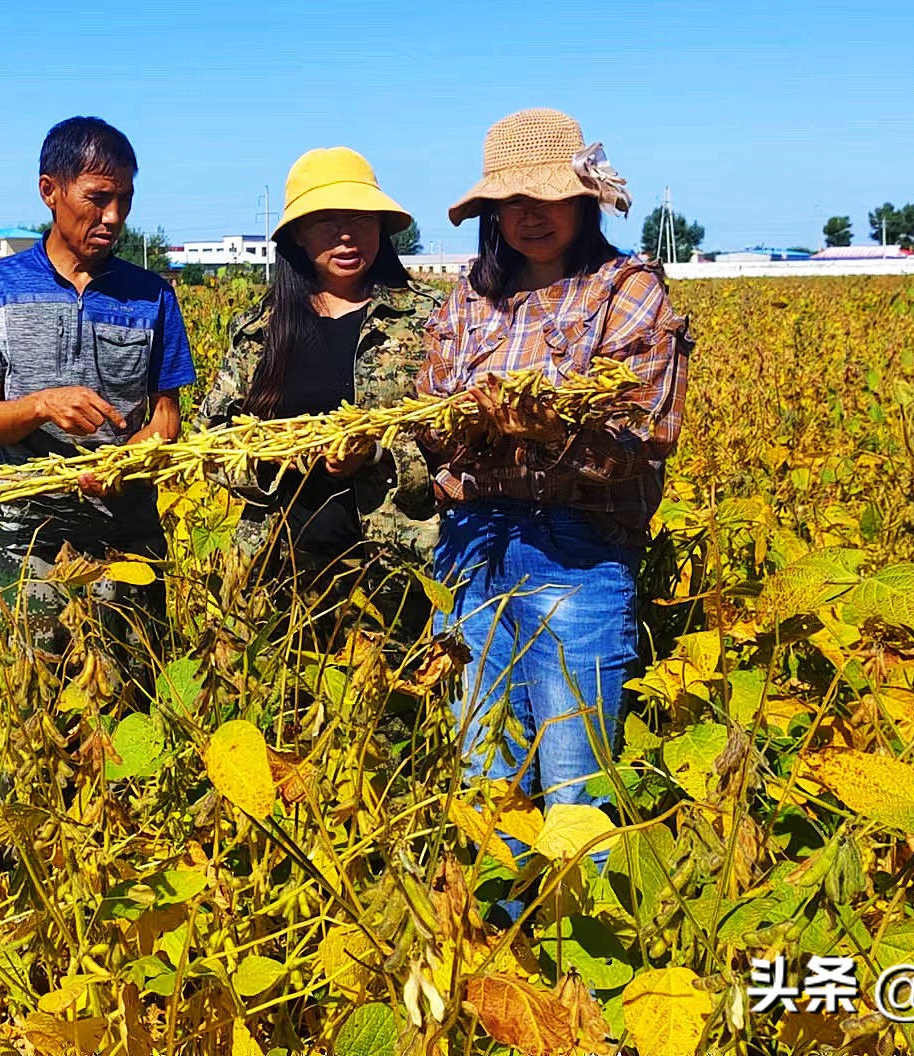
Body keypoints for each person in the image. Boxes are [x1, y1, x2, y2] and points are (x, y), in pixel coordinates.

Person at [417, 108, 693, 811]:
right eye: (511, 202)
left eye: (544, 198)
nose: (529, 216)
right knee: (483, 772)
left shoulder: (626, 290)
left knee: (576, 776)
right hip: (471, 544)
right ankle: (492, 918)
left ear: (582, 200)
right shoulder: (472, 297)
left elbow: (642, 429)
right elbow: (429, 414)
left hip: (573, 547)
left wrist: (546, 430)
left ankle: (578, 919)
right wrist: (465, 425)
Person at [0, 116, 196, 701]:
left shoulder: (153, 295)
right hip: (26, 534)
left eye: (125, 201)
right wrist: (41, 406)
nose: (113, 217)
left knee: (129, 700)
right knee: (30, 703)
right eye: (98, 198)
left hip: (126, 529)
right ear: (49, 191)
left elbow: (167, 417)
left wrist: (129, 461)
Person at [198, 147, 441, 639]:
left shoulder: (429, 321)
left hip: (393, 575)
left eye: (358, 217)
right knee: (278, 705)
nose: (346, 234)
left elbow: (454, 441)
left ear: (380, 226)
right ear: (298, 237)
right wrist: (276, 457)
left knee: (387, 708)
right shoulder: (259, 330)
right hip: (272, 574)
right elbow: (210, 441)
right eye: (326, 220)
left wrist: (373, 454)